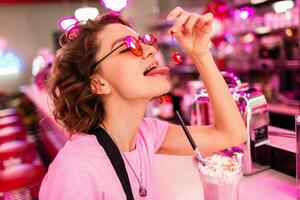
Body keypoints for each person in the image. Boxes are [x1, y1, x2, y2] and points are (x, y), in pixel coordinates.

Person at [39, 7, 247, 200]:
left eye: (144, 42)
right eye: (128, 46)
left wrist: (201, 54)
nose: (150, 50)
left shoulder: (146, 134)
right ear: (98, 83)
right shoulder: (75, 171)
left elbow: (231, 135)